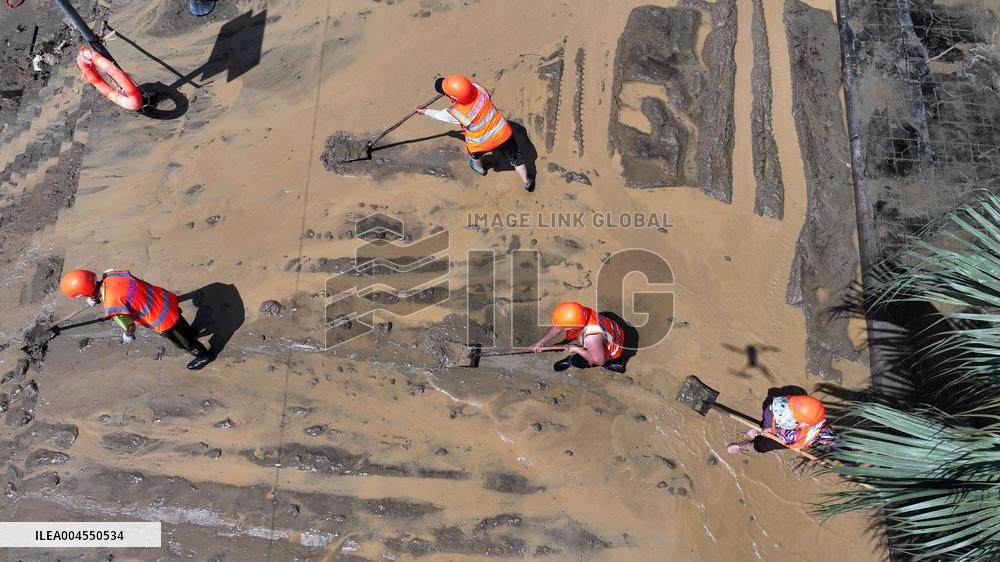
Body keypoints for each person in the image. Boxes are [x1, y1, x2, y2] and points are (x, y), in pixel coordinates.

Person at [59, 269, 214, 370]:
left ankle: (203, 355)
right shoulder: (113, 274)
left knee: (183, 341)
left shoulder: (113, 306)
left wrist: (128, 335)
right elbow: (123, 286)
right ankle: (191, 332)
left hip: (161, 319)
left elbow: (130, 326)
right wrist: (95, 296)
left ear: (85, 294)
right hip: (165, 300)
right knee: (180, 321)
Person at [416, 74, 535, 192]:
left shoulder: (455, 112)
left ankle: (480, 169)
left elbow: (440, 115)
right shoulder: (478, 88)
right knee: (515, 157)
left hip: (481, 142)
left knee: (475, 155)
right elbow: (484, 95)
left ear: (454, 98)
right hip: (502, 132)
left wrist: (425, 111)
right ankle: (527, 181)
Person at [529, 301, 626, 373]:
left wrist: (577, 349)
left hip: (612, 346)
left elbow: (599, 361)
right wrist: (541, 342)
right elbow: (558, 326)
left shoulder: (591, 337)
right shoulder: (581, 312)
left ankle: (615, 362)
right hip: (613, 330)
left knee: (581, 360)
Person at [726, 395, 836, 454]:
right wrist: (768, 426)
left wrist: (848, 465)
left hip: (785, 440)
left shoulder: (818, 431)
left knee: (763, 446)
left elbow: (838, 444)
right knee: (765, 427)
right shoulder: (787, 404)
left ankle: (750, 446)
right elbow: (769, 410)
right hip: (773, 428)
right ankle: (757, 434)